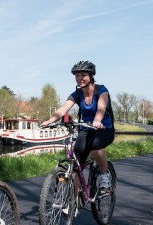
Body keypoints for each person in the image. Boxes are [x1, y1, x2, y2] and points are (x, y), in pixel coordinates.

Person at [41, 60, 115, 201]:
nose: (80, 78)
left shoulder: (101, 90)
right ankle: (74, 200)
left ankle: (105, 174)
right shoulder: (77, 94)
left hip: (104, 129)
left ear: (91, 76)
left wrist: (98, 120)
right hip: (85, 129)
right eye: (77, 76)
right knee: (76, 163)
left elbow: (101, 108)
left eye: (83, 75)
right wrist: (51, 120)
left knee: (95, 146)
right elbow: (63, 109)